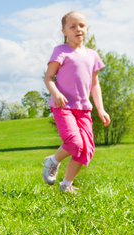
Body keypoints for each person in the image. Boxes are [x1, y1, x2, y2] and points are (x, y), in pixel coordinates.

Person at [41, 11, 110, 194]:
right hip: (63, 106)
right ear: (64, 31)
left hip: (84, 110)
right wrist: (56, 93)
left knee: (86, 149)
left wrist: (101, 109)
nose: (77, 29)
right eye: (72, 26)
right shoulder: (61, 51)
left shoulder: (93, 55)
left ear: (87, 29)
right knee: (74, 142)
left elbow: (95, 85)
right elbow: (48, 77)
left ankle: (66, 185)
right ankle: (53, 161)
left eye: (81, 25)